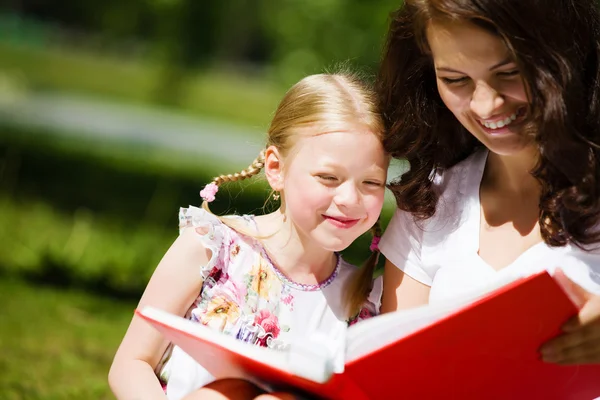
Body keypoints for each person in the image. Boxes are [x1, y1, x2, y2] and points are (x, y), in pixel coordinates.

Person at [108, 71, 389, 400]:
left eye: (371, 183)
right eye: (328, 177)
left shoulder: (362, 302)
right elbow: (132, 362)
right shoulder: (212, 248)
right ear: (276, 169)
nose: (350, 200)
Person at [376, 0, 600, 366]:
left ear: (563, 55)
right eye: (455, 80)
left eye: (509, 72)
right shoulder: (430, 200)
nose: (485, 104)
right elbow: (393, 369)